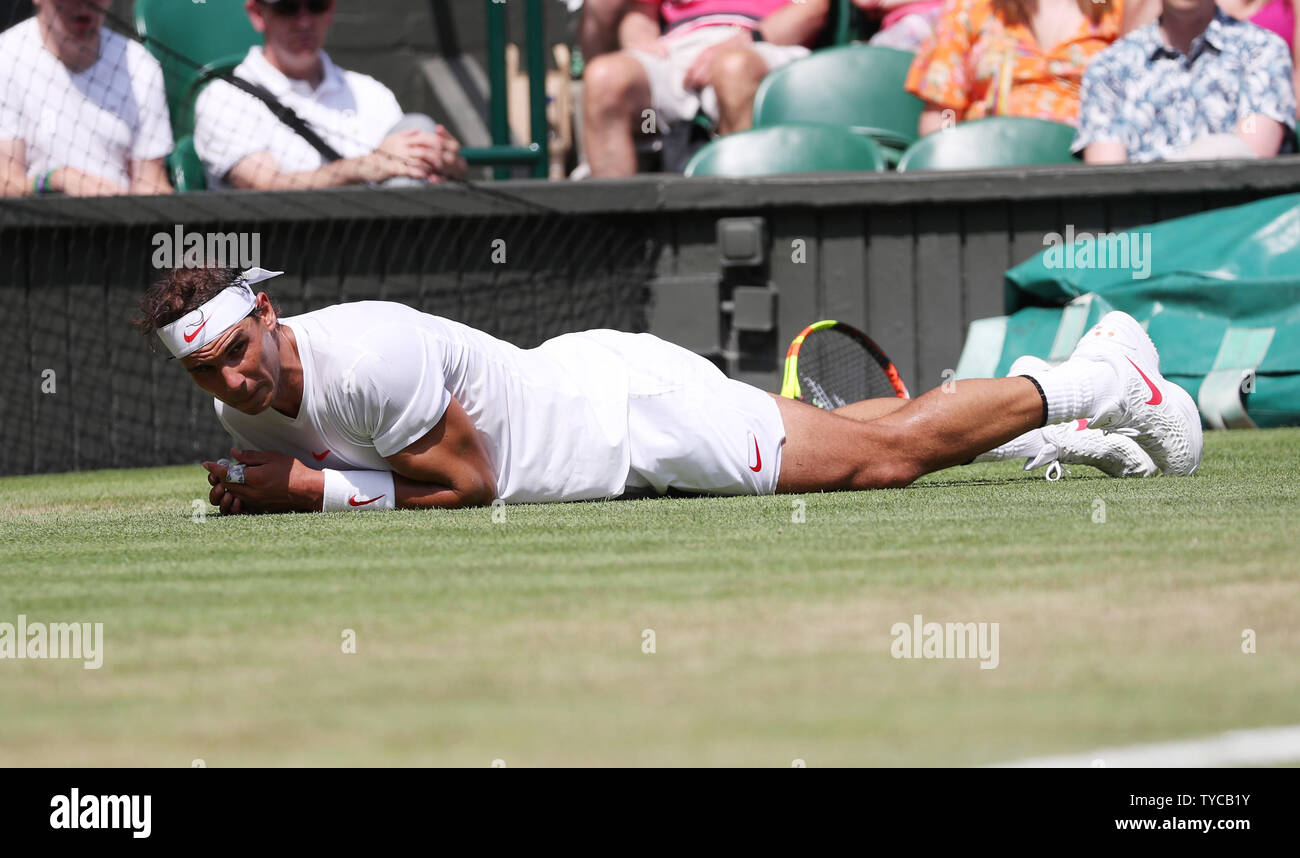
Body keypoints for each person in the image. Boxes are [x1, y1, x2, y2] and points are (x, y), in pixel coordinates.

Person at [132, 267, 1201, 515]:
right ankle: (1041, 424)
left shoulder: (367, 355)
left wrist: (300, 492)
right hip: (598, 387)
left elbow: (465, 481)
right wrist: (290, 471)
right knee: (843, 436)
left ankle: (1105, 376)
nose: (232, 377)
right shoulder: (238, 401)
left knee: (882, 458)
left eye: (238, 348)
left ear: (266, 314)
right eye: (207, 369)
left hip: (629, 423)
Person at [194, 0, 466, 191]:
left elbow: (410, 177)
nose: (304, 21)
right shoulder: (224, 98)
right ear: (257, 13)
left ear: (331, 9)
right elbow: (264, 187)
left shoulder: (370, 92)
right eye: (287, 7)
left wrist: (446, 168)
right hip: (277, 260)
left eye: (316, 5)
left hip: (380, 246)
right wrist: (363, 167)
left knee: (420, 127)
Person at [582, 0, 828, 178]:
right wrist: (641, 39)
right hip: (677, 48)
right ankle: (617, 238)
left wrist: (742, 41)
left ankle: (740, 223)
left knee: (733, 68)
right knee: (603, 77)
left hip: (760, 41)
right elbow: (641, 13)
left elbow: (811, 8)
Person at [1074, 0, 1295, 163]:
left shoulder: (1261, 52)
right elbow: (1109, 183)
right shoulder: (1109, 69)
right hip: (1144, 223)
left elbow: (1249, 157)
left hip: (1236, 221)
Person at [0, 0, 173, 197]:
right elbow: (5, 181)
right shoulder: (6, 58)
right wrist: (54, 182)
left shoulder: (140, 65)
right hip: (32, 223)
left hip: (120, 220)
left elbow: (151, 182)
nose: (83, 6)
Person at [906, 0, 1126, 136]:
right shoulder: (970, 7)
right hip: (991, 165)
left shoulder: (1117, 8)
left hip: (1087, 165)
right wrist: (948, 142)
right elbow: (944, 110)